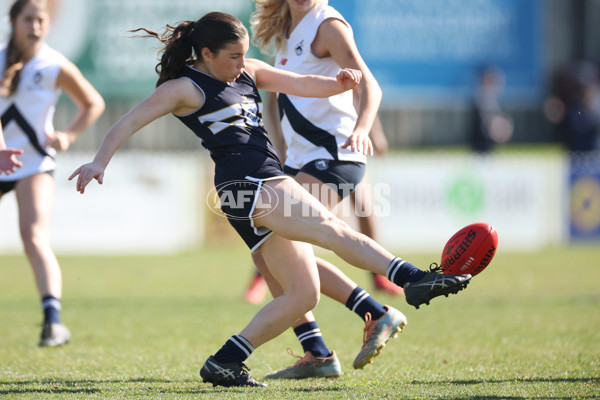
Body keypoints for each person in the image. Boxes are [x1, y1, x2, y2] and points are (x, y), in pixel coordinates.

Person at [69, 12, 471, 388]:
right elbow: (129, 121)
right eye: (233, 56)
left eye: (245, 53)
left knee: (302, 294)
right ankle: (414, 280)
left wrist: (339, 84)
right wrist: (99, 161)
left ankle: (225, 360)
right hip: (251, 181)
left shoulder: (248, 71)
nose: (243, 62)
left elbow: (297, 83)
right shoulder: (185, 87)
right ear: (206, 55)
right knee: (331, 229)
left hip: (253, 188)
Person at [248, 0, 405, 379]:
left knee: (279, 250)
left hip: (334, 156)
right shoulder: (284, 31)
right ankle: (323, 346)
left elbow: (369, 84)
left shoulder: (328, 25)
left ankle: (364, 320)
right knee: (268, 254)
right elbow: (274, 98)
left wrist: (364, 127)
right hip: (303, 161)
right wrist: (280, 149)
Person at [0, 0, 105, 347]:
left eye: (41, 19)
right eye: (28, 18)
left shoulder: (54, 64)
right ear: (13, 21)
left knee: (33, 236)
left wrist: (68, 135)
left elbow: (93, 103)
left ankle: (53, 321)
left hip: (34, 163)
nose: (35, 25)